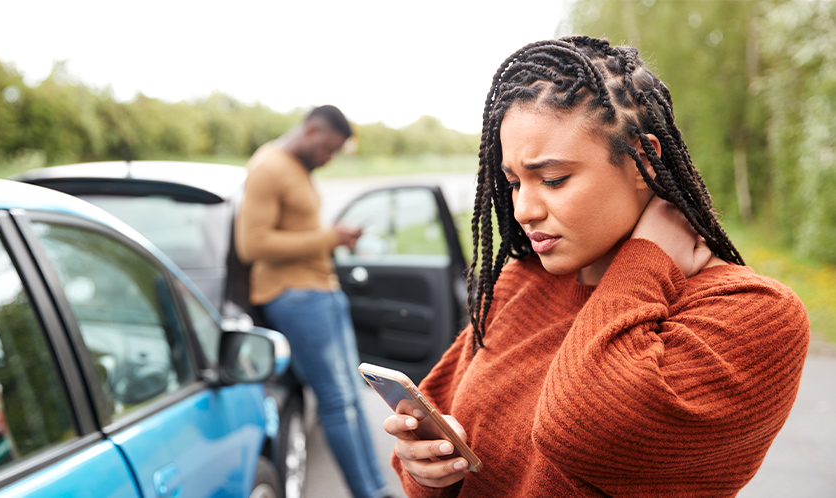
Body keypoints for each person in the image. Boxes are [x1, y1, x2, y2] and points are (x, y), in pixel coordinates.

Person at [383, 36, 810, 497]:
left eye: (553, 179)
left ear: (642, 159)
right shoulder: (518, 283)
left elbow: (582, 430)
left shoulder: (755, 314)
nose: (524, 209)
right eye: (512, 182)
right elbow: (430, 448)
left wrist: (647, 259)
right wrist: (426, 470)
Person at [234, 105, 391, 498]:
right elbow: (251, 244)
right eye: (328, 148)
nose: (329, 158)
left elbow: (296, 229)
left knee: (354, 397)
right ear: (312, 130)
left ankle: (378, 489)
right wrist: (328, 238)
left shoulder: (298, 169)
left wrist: (333, 238)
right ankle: (367, 494)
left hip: (322, 292)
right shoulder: (269, 167)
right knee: (337, 401)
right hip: (294, 296)